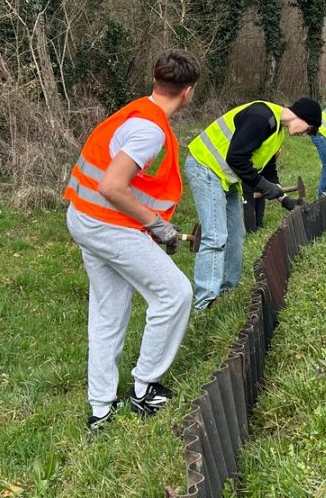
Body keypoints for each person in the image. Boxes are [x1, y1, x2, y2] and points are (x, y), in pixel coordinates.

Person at [64, 49, 201, 431]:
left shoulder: (137, 110)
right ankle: (144, 390)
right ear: (187, 92)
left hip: (84, 219)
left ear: (156, 81)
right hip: (105, 225)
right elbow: (112, 185)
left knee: (109, 312)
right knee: (174, 294)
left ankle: (101, 409)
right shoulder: (149, 129)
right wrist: (160, 226)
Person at [185, 98, 321, 312]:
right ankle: (204, 305)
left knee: (236, 234)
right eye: (309, 129)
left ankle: (226, 293)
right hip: (205, 167)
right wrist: (263, 186)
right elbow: (236, 158)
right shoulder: (261, 117)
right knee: (215, 235)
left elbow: (268, 172)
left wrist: (285, 201)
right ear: (302, 116)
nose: (305, 134)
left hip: (225, 178)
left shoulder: (276, 132)